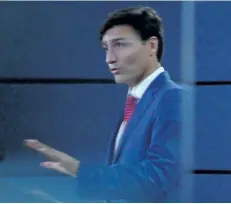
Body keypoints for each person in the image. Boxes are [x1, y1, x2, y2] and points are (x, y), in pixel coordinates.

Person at [24, 6, 182, 202]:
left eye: (120, 45)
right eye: (106, 48)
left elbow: (157, 179)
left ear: (151, 46)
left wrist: (79, 170)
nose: (109, 59)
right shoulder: (136, 101)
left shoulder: (173, 98)